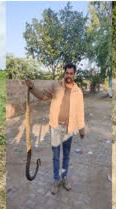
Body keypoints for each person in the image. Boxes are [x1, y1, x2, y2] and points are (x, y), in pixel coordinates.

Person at [25, 62, 85, 195]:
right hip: (55, 127)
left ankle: (64, 178)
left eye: (71, 73)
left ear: (74, 74)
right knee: (56, 156)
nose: (68, 75)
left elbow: (80, 111)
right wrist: (32, 87)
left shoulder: (78, 92)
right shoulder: (55, 86)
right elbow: (42, 95)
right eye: (67, 73)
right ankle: (56, 180)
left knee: (67, 156)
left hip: (69, 129)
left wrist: (81, 128)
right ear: (64, 73)